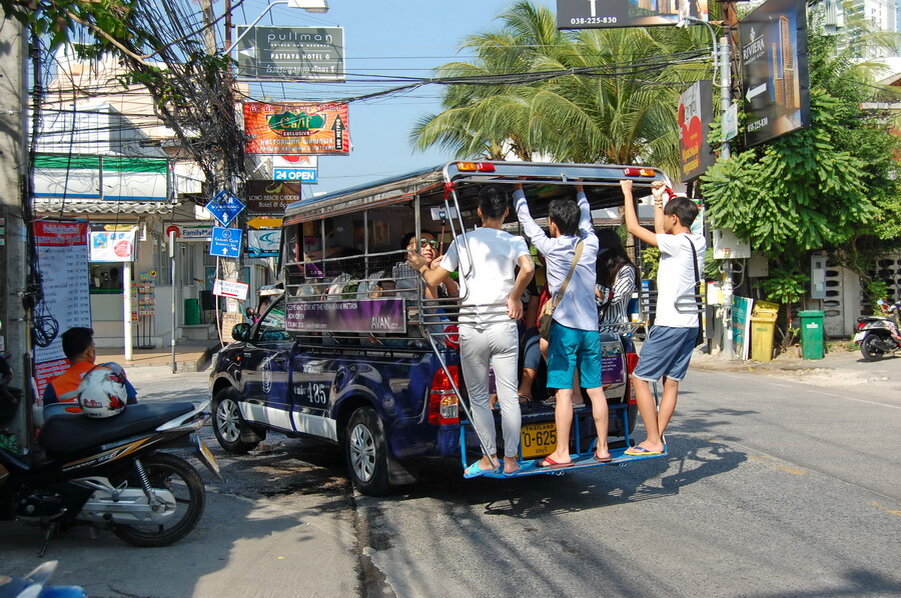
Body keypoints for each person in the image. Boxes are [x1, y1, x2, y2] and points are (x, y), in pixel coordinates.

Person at [408, 185, 533, 476]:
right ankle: (512, 458)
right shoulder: (515, 241)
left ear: (478, 211)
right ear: (506, 212)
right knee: (509, 395)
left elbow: (435, 278)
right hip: (504, 323)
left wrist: (420, 266)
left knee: (478, 397)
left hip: (472, 326)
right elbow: (527, 269)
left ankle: (491, 457)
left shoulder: (463, 241)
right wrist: (514, 296)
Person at [514, 183, 610, 466]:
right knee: (595, 390)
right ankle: (603, 448)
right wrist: (580, 191)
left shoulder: (549, 246)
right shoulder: (590, 243)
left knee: (564, 392)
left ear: (553, 224)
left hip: (564, 328)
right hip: (591, 329)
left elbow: (526, 222)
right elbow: (588, 218)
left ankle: (562, 452)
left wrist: (519, 191)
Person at [620, 179, 705, 456]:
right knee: (671, 381)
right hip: (690, 324)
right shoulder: (697, 241)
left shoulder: (677, 244)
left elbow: (633, 228)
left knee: (640, 378)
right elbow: (660, 231)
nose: (663, 221)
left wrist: (628, 192)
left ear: (675, 218)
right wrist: (658, 201)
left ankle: (653, 440)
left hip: (671, 323)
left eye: (667, 216)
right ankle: (658, 436)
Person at [42, 327, 137, 420]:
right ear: (89, 352)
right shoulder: (111, 374)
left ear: (66, 353)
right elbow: (133, 407)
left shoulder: (54, 387)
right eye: (93, 347)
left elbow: (50, 419)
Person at [595, 229, 638, 334]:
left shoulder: (626, 270)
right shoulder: (600, 271)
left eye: (602, 256)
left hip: (615, 327)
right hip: (595, 326)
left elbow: (615, 298)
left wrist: (593, 287)